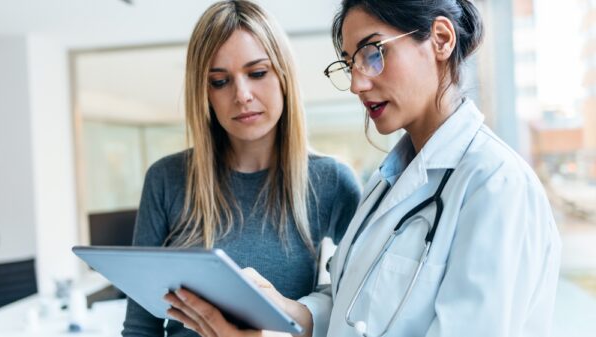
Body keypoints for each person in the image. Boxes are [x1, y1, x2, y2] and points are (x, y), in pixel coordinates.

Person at [163, 0, 562, 337]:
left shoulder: (494, 185)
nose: (357, 83)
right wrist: (286, 310)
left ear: (440, 39)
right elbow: (348, 300)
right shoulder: (388, 183)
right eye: (350, 62)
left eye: (374, 52)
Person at [121, 1, 362, 336]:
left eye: (258, 73)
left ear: (283, 76)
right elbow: (140, 327)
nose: (242, 95)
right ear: (204, 93)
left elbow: (362, 305)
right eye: (220, 81)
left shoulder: (330, 182)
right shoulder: (166, 179)